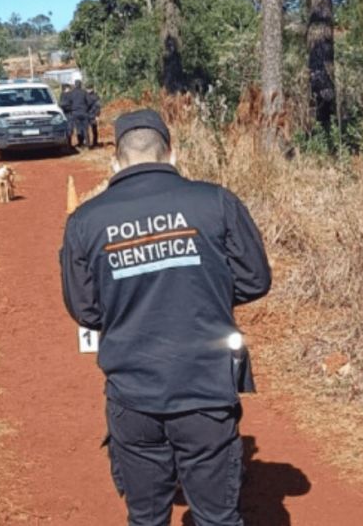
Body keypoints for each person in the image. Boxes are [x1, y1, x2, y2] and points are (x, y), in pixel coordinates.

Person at [60, 109, 271, 525]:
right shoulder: (216, 202)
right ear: (172, 154)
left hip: (132, 395)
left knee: (146, 519)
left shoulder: (84, 221)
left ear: (115, 162)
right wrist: (206, 292)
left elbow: (85, 309)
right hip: (206, 393)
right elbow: (256, 279)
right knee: (218, 519)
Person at [60, 80, 92, 148]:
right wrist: (86, 108)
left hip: (75, 113)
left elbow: (67, 103)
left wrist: (71, 108)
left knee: (78, 129)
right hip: (84, 112)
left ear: (75, 85)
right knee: (85, 129)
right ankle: (87, 144)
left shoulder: (71, 93)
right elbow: (89, 102)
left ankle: (80, 143)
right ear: (81, 85)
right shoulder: (84, 92)